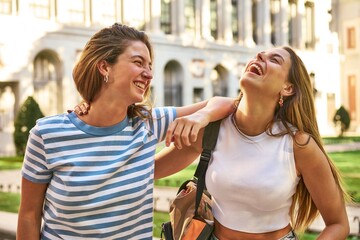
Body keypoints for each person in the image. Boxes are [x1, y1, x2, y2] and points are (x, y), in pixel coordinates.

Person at [16, 23, 235, 240]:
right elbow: (28, 216)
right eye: (138, 62)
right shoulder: (47, 134)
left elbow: (229, 103)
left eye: (150, 66)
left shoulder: (148, 124)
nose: (148, 74)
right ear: (104, 67)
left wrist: (200, 116)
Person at [155, 46, 350, 239]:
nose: (259, 56)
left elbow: (338, 224)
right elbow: (148, 170)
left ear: (287, 88)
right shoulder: (211, 130)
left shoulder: (298, 145)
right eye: (260, 54)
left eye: (274, 60)